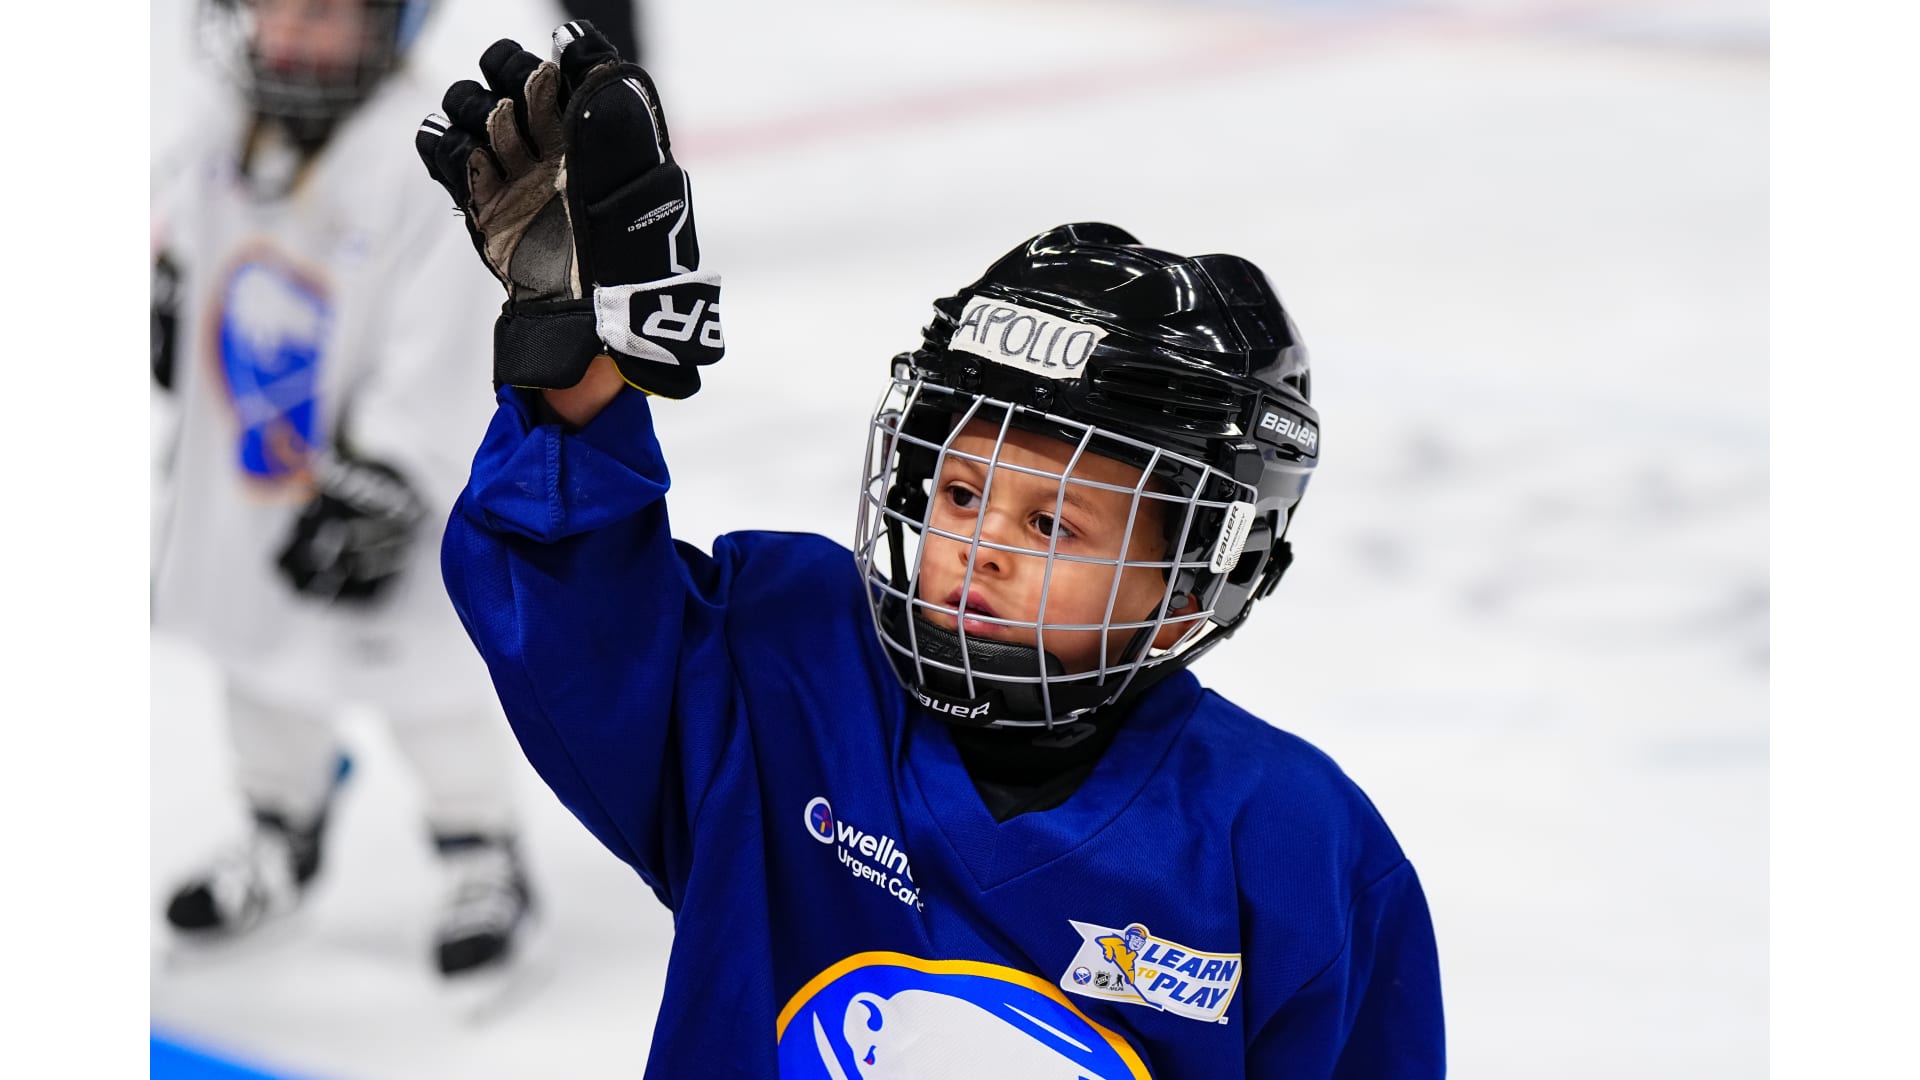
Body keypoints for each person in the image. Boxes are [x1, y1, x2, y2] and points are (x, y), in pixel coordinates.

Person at [417, 20, 1444, 1074]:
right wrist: (577, 368)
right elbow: (582, 640)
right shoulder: (788, 678)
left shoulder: (1289, 848)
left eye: (1052, 522)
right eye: (960, 492)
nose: (980, 544)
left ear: (1194, 582)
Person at [151, 0, 535, 982]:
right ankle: (280, 834)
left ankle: (477, 846)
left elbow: (448, 332)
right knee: (255, 655)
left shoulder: (423, 160)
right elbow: (177, 245)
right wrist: (164, 300)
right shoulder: (222, 132)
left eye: (320, 12)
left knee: (428, 676)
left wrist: (391, 468)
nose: (287, 34)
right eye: (272, 8)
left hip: (378, 493)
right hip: (250, 467)